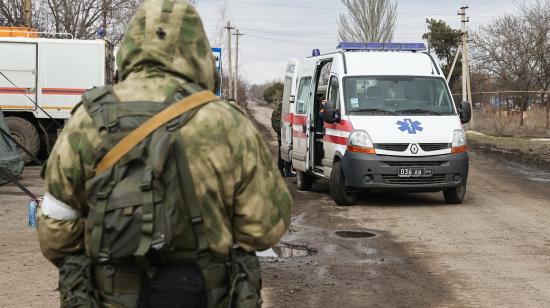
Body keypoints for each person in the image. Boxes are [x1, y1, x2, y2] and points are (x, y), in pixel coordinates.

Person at [36, 0, 293, 307]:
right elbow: (265, 228)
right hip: (203, 295)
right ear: (197, 51)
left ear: (131, 47)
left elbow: (55, 231)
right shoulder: (226, 122)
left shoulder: (88, 119)